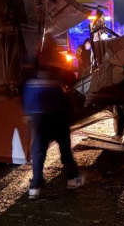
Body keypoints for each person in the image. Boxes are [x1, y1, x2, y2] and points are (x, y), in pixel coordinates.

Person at [23, 36, 84, 200]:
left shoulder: (32, 62)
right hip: (56, 110)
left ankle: (35, 187)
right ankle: (72, 179)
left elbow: (24, 83)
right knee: (64, 147)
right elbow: (71, 78)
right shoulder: (57, 61)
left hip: (37, 110)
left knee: (39, 150)